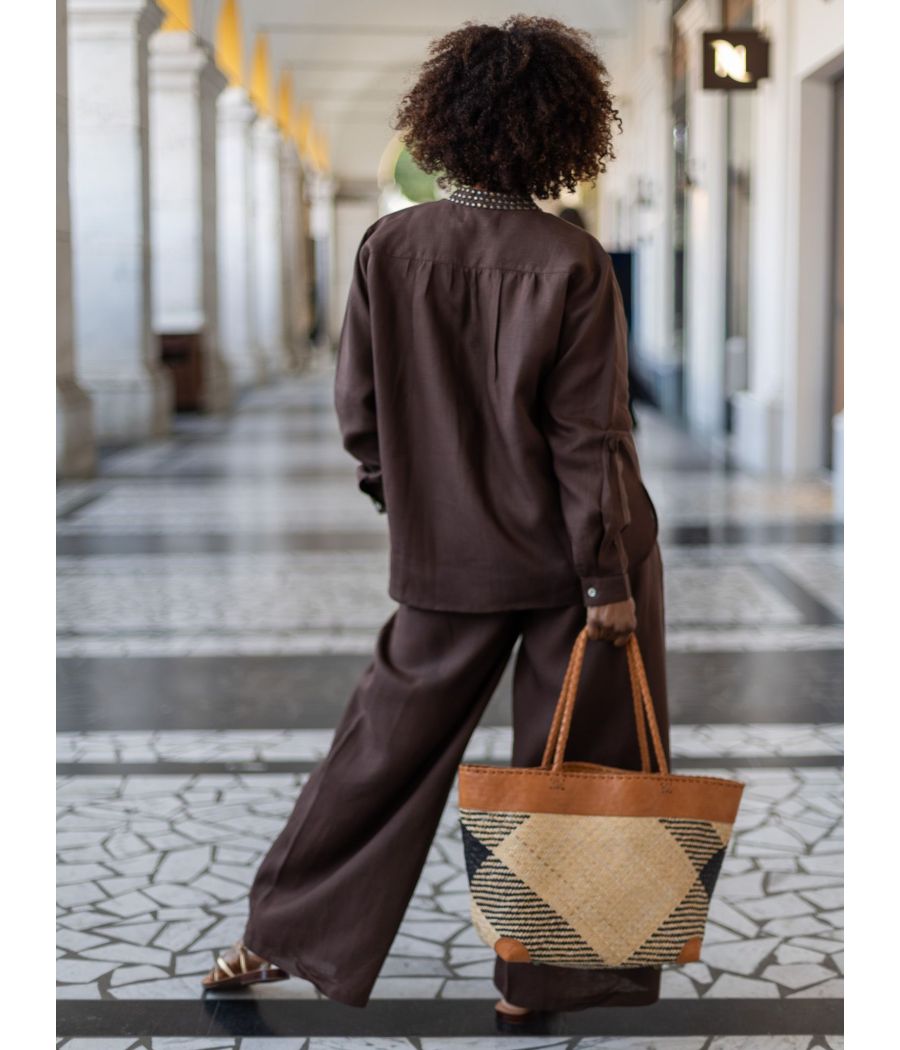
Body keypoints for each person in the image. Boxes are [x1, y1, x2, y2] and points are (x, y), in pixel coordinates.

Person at [203, 14, 669, 1026]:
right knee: (579, 762)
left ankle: (274, 937)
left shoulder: (389, 246)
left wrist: (408, 499)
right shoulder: (572, 261)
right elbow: (590, 437)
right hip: (577, 565)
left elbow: (359, 410)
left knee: (380, 750)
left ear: (444, 124)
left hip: (443, 559)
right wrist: (605, 581)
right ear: (563, 129)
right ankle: (541, 982)